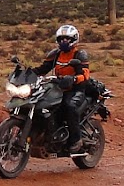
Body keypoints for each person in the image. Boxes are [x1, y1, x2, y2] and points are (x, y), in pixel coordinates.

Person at [33, 24, 91, 153]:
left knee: (69, 106)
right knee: (42, 104)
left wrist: (74, 79)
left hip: (75, 89)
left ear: (74, 39)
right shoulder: (56, 54)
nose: (64, 41)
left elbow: (85, 75)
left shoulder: (79, 54)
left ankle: (76, 139)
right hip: (58, 87)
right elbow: (43, 69)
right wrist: (27, 73)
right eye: (61, 39)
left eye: (67, 39)